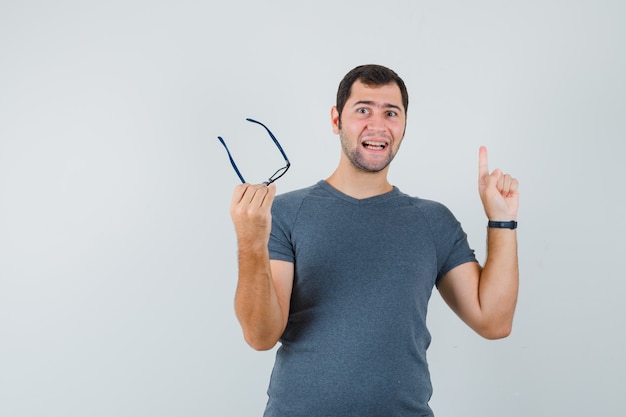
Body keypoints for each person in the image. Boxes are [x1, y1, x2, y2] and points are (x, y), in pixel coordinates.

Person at [227, 64, 519, 416]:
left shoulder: (432, 221)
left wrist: (501, 220)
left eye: (391, 113)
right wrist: (250, 241)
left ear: (404, 125)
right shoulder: (286, 213)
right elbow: (260, 336)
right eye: (363, 109)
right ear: (336, 120)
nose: (377, 125)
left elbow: (495, 322)